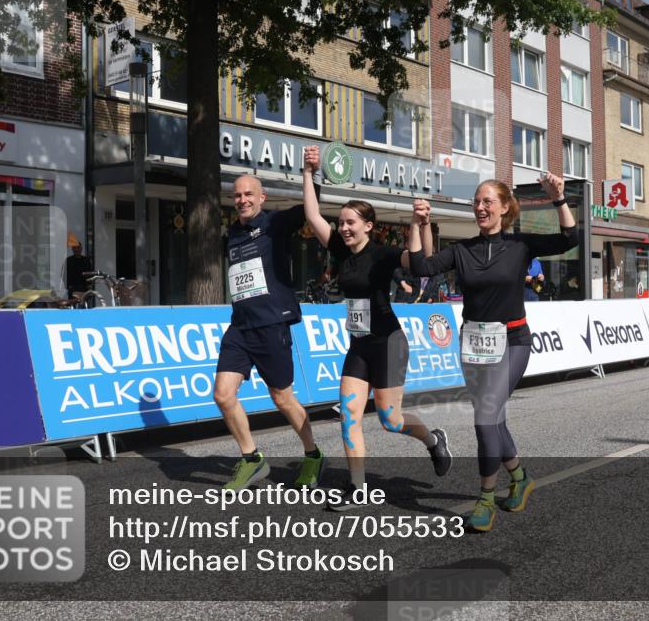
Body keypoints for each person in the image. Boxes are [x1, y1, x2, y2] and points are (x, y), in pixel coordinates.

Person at [408, 173, 578, 532]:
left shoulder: (520, 247)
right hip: (473, 346)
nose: (480, 206)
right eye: (476, 201)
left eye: (487, 201)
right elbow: (422, 267)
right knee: (494, 420)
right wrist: (419, 224)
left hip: (513, 342)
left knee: (485, 419)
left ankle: (486, 498)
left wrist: (558, 199)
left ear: (504, 208)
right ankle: (520, 476)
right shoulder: (462, 249)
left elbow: (569, 239)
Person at [301, 146, 452, 511]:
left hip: (388, 343)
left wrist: (423, 223)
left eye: (351, 222)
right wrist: (309, 172)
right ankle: (357, 487)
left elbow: (424, 263)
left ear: (368, 225)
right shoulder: (340, 250)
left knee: (390, 419)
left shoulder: (382, 255)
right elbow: (311, 214)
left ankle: (433, 439)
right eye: (342, 222)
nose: (344, 227)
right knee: (349, 415)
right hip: (359, 346)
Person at [213, 173, 326, 491]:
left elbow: (309, 207)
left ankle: (313, 454)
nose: (242, 200)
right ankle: (251, 459)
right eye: (237, 195)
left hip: (271, 325)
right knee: (222, 394)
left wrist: (309, 173)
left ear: (262, 197)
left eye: (249, 194)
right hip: (240, 327)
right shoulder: (233, 231)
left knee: (282, 397)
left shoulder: (275, 223)